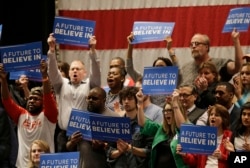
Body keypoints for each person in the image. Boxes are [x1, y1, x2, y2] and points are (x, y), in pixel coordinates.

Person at [47, 33, 101, 152]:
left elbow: (96, 73)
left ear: (84, 73)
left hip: (84, 135)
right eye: (72, 69)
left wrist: (92, 50)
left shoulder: (90, 85)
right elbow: (52, 72)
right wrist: (51, 51)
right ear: (69, 72)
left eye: (78, 69)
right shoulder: (62, 84)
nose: (75, 71)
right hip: (64, 135)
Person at [0, 60, 58, 168]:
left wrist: (44, 76)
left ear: (43, 102)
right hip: (23, 165)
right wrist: (3, 80)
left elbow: (48, 96)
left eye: (36, 99)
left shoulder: (49, 115)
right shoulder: (21, 114)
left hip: (46, 165)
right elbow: (6, 100)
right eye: (30, 98)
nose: (31, 101)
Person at [66, 87, 120, 168]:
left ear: (104, 100)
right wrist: (72, 142)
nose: (90, 100)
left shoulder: (114, 118)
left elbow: (121, 150)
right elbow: (68, 146)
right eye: (89, 98)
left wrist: (104, 146)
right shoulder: (80, 117)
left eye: (94, 98)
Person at [136, 88, 189, 168]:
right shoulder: (161, 129)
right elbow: (143, 123)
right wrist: (140, 103)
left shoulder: (187, 129)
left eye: (170, 110)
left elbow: (183, 127)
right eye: (165, 111)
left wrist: (175, 103)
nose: (166, 113)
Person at [126, 32, 175, 108]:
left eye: (161, 66)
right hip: (150, 116)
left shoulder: (174, 80)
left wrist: (170, 49)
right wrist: (130, 45)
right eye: (156, 66)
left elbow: (177, 67)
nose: (158, 68)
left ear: (168, 69)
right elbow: (129, 69)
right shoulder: (145, 80)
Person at [106, 86, 151, 168]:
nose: (126, 101)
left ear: (136, 101)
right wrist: (119, 151)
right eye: (124, 99)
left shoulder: (146, 123)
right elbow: (109, 152)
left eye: (130, 99)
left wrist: (130, 149)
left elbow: (150, 152)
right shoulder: (116, 124)